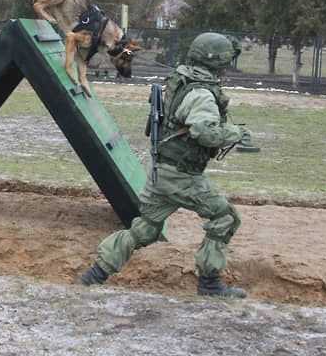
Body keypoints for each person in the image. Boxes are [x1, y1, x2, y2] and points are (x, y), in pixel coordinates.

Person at [79, 32, 253, 298]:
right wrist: (236, 133)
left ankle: (94, 275)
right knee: (225, 217)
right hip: (181, 175)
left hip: (161, 171)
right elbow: (205, 133)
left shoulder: (182, 79)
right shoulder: (201, 94)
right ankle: (210, 284)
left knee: (145, 229)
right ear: (216, 61)